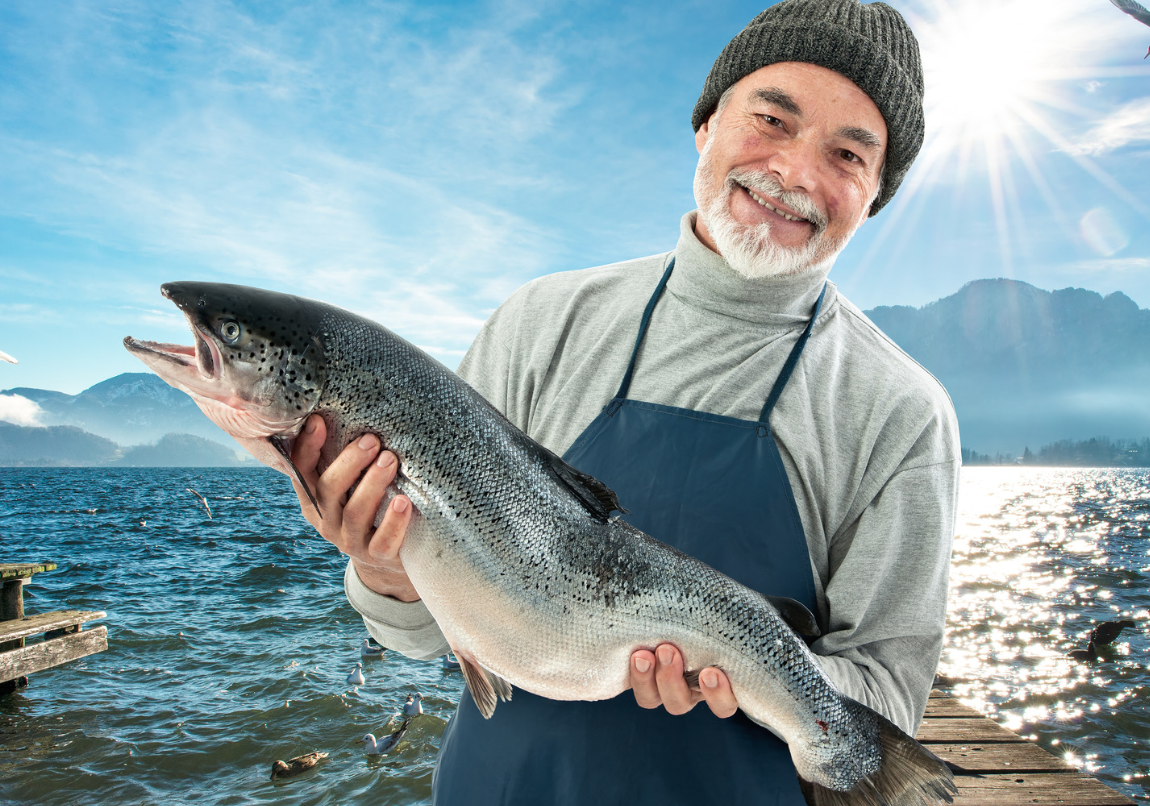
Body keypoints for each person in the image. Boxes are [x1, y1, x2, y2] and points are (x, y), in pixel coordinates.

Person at [290, 0, 959, 803]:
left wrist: (744, 666)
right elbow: (427, 635)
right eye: (772, 118)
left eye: (848, 154)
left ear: (876, 194)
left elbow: (886, 695)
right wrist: (382, 565)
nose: (795, 174)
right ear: (706, 124)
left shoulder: (900, 412)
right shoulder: (540, 322)